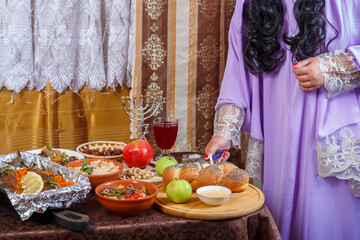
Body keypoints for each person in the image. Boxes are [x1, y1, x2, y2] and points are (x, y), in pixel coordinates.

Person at [204, 0, 360, 239]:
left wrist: (330, 67)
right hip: (278, 147)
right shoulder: (249, 3)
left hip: (331, 143)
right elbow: (236, 72)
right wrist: (224, 132)